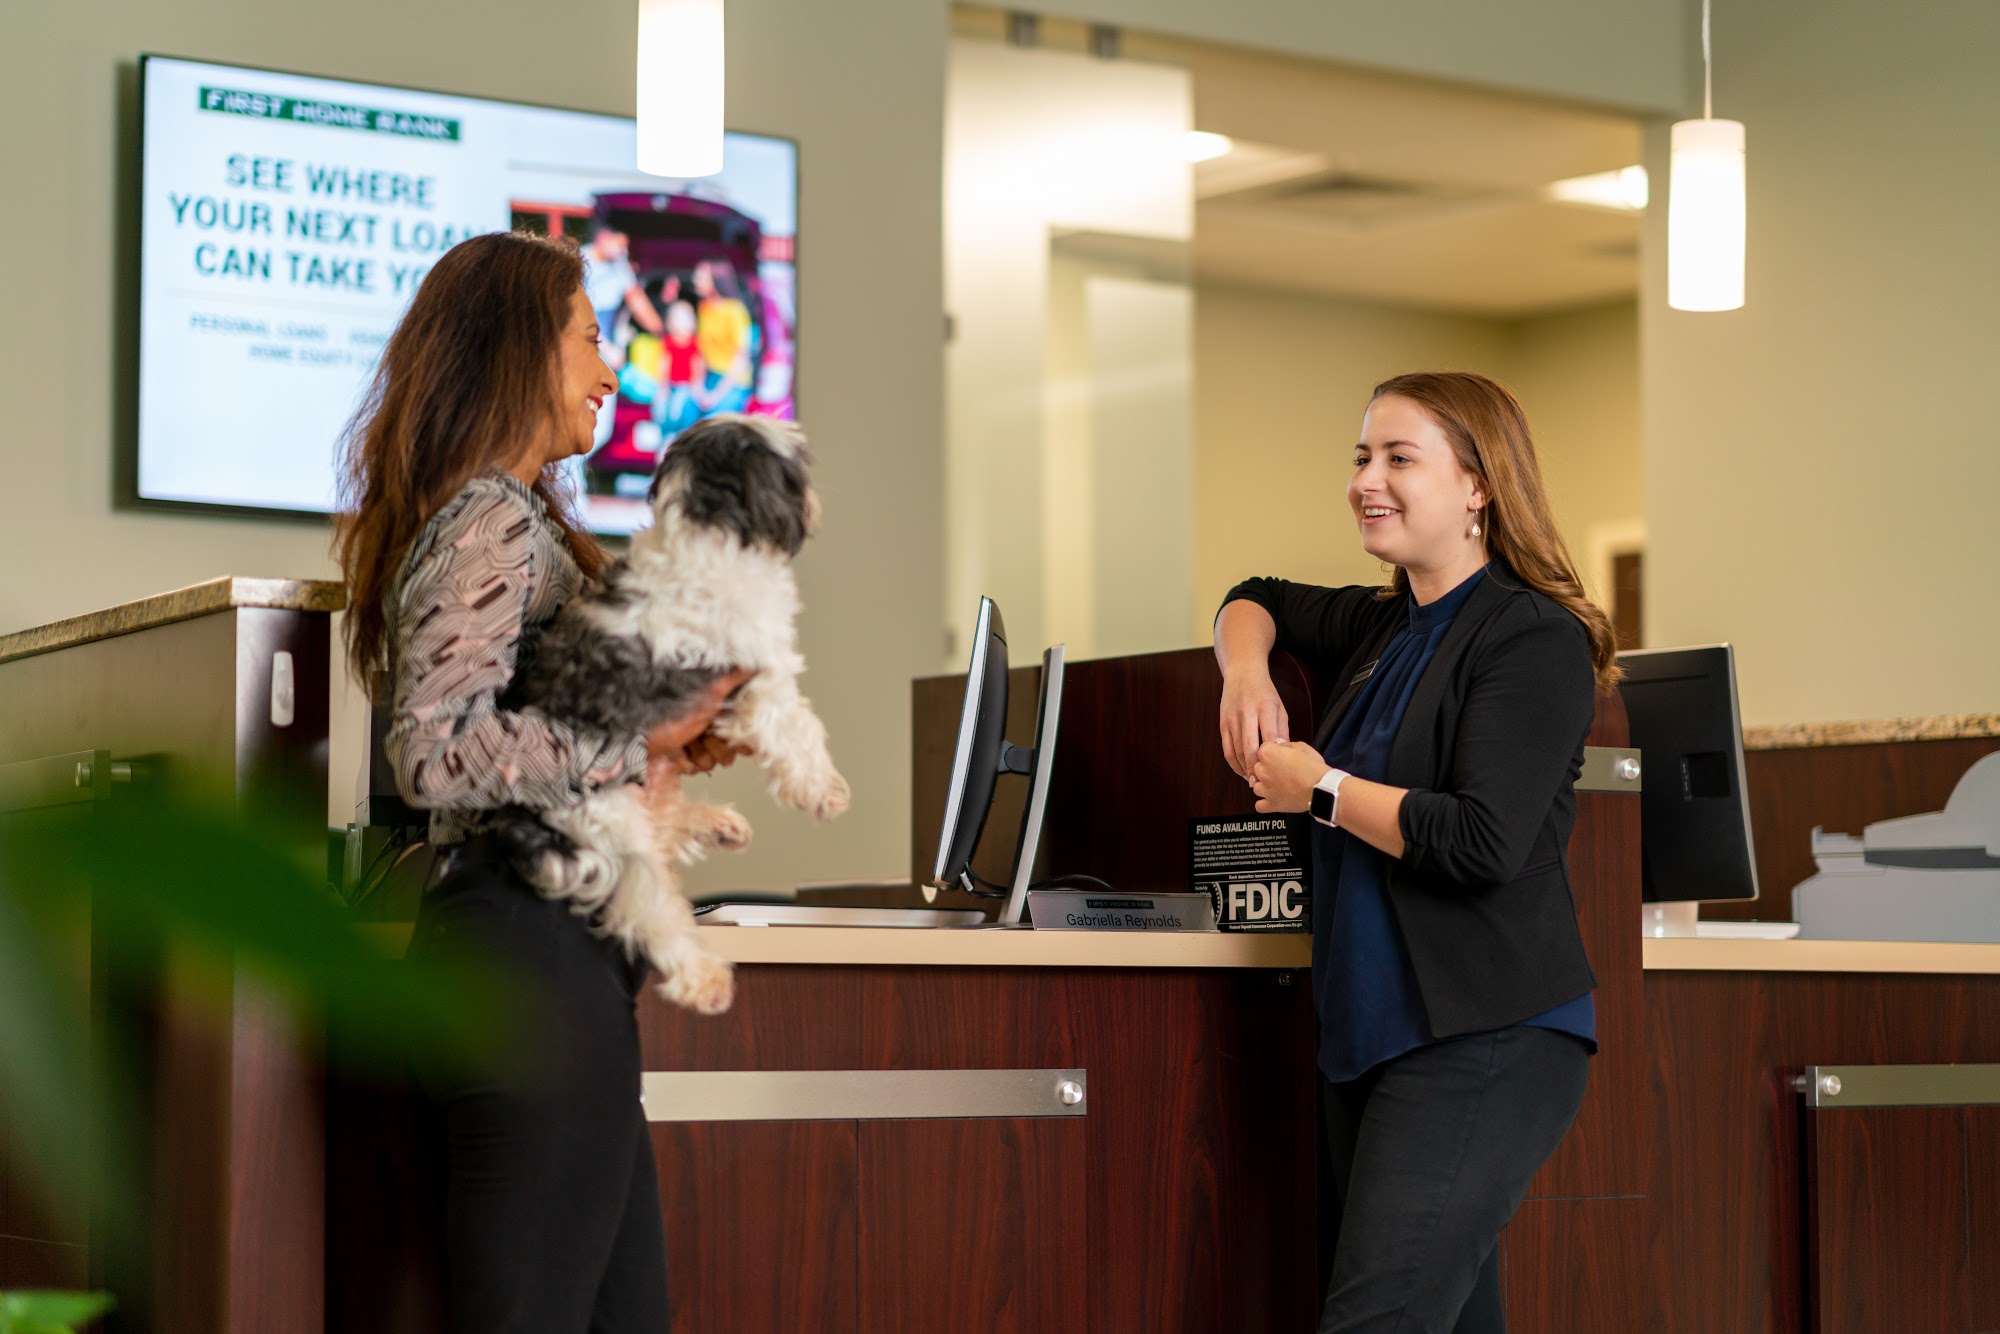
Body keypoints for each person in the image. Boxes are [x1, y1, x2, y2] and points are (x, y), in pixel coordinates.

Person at [333, 230, 745, 1333]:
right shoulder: (488, 518)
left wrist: (672, 740)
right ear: (521, 347)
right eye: (591, 337)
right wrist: (634, 746)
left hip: (547, 963)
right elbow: (434, 751)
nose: (611, 369)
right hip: (527, 964)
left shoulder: (509, 517)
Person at [1212, 371, 1621, 1334]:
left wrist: (1320, 787)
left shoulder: (1534, 637)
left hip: (1483, 1036)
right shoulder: (1383, 624)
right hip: (1369, 1037)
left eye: (1400, 458)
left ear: (1479, 486)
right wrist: (1245, 674)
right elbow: (1254, 597)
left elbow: (1482, 840)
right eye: (1363, 456)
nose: (1367, 480)